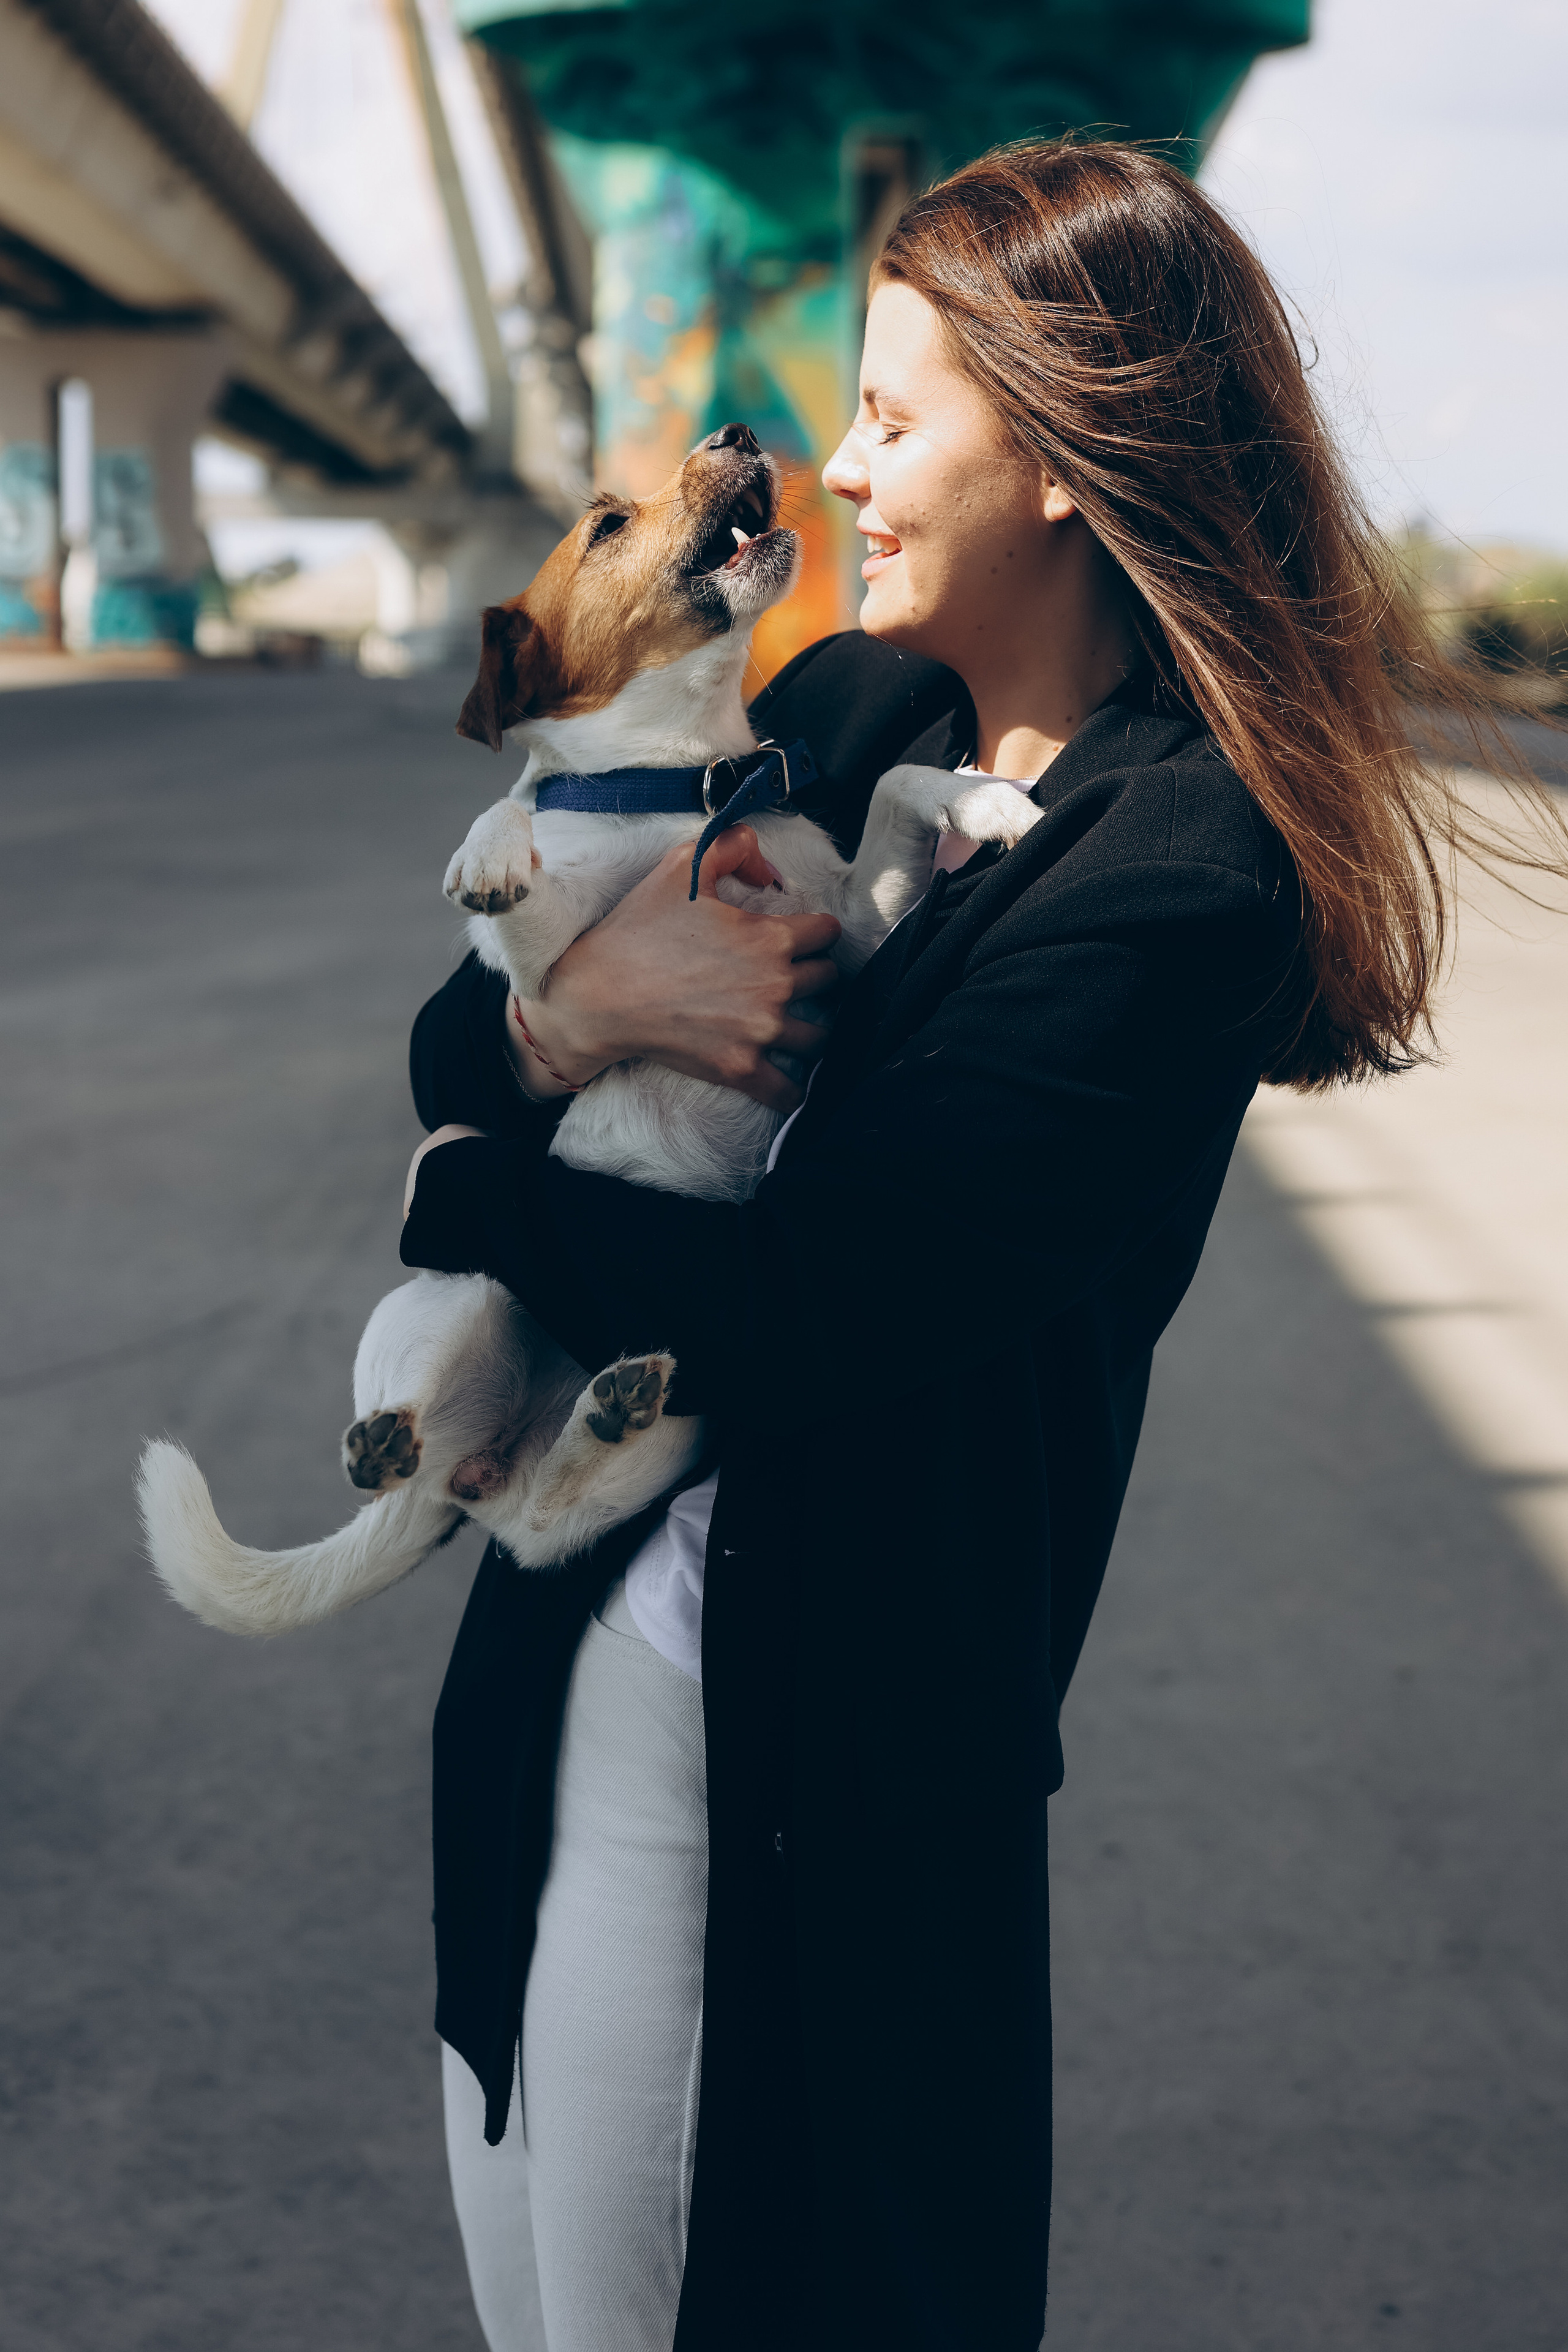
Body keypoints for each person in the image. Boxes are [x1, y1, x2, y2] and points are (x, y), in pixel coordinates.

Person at [399, 142, 1562, 2352]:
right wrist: (575, 1020)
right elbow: (466, 1012)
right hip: (555, 1663)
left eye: (893, 417)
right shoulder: (844, 717)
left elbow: (811, 1312)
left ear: (1059, 441)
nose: (838, 470)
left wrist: (466, 1188)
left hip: (806, 1799)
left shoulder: (1179, 874)